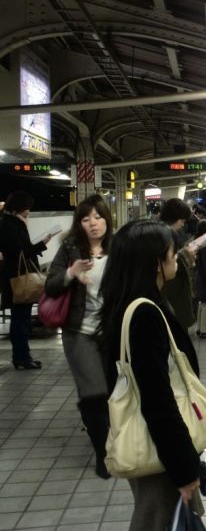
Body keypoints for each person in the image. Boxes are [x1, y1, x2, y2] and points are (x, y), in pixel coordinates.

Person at [99, 219, 202, 531]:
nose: (175, 257)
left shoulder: (127, 304)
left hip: (160, 447)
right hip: (160, 451)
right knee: (159, 522)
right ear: (155, 262)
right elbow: (157, 401)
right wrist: (185, 470)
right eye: (171, 252)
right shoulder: (144, 314)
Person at [44, 195, 113, 478]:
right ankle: (102, 454)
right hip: (78, 333)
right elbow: (51, 285)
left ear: (107, 219)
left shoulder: (119, 248)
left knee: (111, 392)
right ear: (79, 224)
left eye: (98, 217)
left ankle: (114, 440)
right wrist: (71, 273)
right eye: (86, 219)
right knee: (94, 394)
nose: (93, 224)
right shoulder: (71, 248)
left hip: (110, 332)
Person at [0, 191, 53, 369]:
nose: (28, 212)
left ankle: (23, 356)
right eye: (27, 208)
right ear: (19, 207)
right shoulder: (11, 225)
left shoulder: (10, 223)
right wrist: (43, 242)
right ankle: (21, 359)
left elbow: (21, 249)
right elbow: (20, 252)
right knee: (20, 320)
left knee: (21, 319)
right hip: (19, 278)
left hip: (18, 275)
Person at [159, 198, 197, 332]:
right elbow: (169, 265)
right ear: (174, 217)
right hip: (173, 299)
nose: (183, 224)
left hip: (173, 299)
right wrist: (185, 257)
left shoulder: (167, 233)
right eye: (182, 220)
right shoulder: (163, 236)